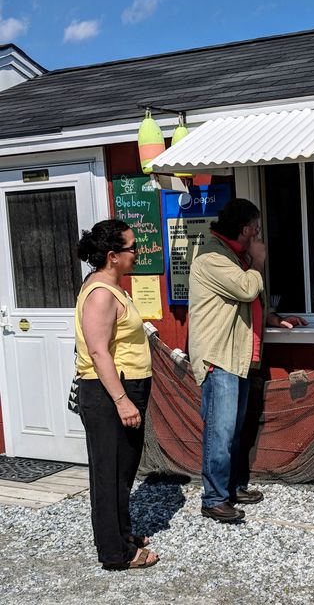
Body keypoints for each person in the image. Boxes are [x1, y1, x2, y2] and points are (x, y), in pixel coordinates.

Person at [188, 198, 306, 522]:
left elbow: (245, 303)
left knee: (234, 430)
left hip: (235, 357)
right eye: (255, 229)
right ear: (244, 230)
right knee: (221, 432)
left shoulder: (232, 256)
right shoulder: (213, 258)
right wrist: (258, 262)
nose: (258, 235)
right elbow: (244, 289)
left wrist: (271, 317)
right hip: (219, 358)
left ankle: (232, 487)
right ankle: (213, 499)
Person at [75, 219, 159, 570]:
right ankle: (115, 554)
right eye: (132, 247)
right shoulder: (100, 294)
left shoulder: (114, 287)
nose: (137, 253)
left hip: (124, 388)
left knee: (122, 472)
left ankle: (122, 534)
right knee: (108, 475)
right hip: (108, 393)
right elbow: (98, 352)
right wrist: (122, 400)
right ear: (112, 256)